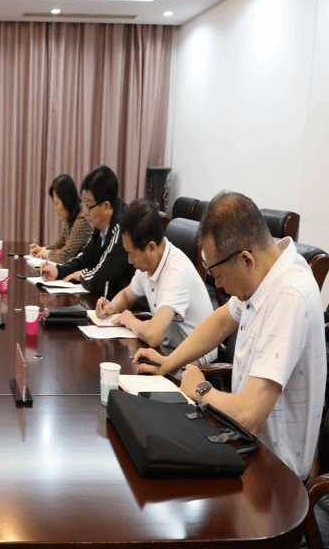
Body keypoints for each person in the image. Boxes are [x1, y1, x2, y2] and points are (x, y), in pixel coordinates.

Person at [135, 191, 325, 481]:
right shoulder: (267, 270)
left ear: (246, 259)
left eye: (217, 274)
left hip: (273, 475)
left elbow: (250, 415)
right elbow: (222, 319)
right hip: (241, 442)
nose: (218, 284)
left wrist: (201, 391)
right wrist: (169, 362)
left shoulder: (289, 295)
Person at [95, 199, 215, 364]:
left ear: (151, 248)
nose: (129, 260)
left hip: (193, 366)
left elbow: (153, 336)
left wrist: (130, 320)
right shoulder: (148, 264)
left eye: (132, 254)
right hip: (166, 354)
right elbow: (127, 296)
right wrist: (110, 307)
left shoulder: (176, 271)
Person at [40, 165, 134, 296]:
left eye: (89, 205)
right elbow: (85, 257)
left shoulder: (123, 228)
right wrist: (58, 271)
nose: (85, 210)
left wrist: (82, 275)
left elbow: (100, 278)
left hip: (126, 303)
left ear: (105, 206)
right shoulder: (101, 224)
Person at [30, 174, 92, 263]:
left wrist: (47, 253)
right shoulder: (71, 216)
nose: (55, 208)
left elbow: (66, 255)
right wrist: (42, 249)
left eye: (56, 203)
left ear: (67, 201)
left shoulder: (82, 219)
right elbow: (60, 244)